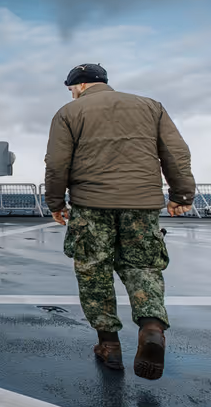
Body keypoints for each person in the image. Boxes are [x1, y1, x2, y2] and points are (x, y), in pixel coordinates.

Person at [44, 63, 195, 381]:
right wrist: (181, 195)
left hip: (91, 205)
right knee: (143, 268)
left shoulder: (68, 113)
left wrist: (56, 203)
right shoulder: (150, 106)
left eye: (71, 88)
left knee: (94, 273)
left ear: (81, 86)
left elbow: (57, 163)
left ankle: (109, 345)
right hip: (141, 205)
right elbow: (175, 152)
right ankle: (152, 328)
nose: (71, 94)